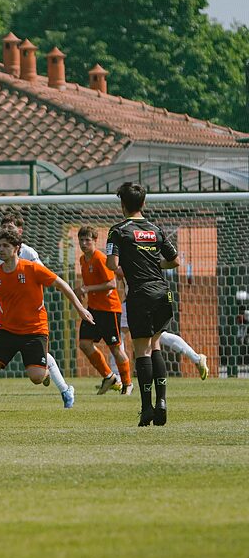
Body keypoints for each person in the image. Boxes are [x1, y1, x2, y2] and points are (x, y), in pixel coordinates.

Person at [0, 227, 95, 410]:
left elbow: (62, 284)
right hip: (8, 331)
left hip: (35, 331)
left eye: (6, 246)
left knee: (36, 377)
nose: (1, 249)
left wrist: (81, 309)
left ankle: (46, 373)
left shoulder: (32, 269)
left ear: (17, 248)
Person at [105, 182, 180, 427]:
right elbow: (174, 261)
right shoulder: (156, 230)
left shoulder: (118, 231)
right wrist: (155, 265)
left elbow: (111, 264)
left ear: (122, 205)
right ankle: (162, 402)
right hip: (162, 293)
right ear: (144, 203)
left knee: (141, 350)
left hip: (139, 294)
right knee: (155, 345)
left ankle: (147, 407)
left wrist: (128, 266)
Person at [111, 272, 209, 383]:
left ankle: (117, 376)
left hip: (139, 299)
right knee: (157, 335)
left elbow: (119, 270)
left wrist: (113, 267)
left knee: (118, 334)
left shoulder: (132, 262)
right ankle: (196, 358)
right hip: (155, 296)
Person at [76, 226, 131, 394]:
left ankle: (127, 383)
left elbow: (112, 284)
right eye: (81, 240)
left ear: (95, 241)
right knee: (85, 344)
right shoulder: (82, 260)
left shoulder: (100, 258)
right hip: (93, 310)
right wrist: (82, 291)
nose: (84, 243)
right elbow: (91, 284)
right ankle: (109, 376)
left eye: (87, 240)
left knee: (115, 348)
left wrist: (86, 289)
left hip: (109, 310)